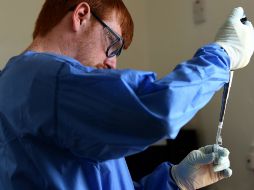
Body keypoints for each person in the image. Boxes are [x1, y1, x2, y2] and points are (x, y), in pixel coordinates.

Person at [0, 0, 253, 189]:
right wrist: (222, 55)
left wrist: (175, 181)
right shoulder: (43, 79)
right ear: (81, 15)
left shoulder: (20, 84)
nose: (112, 64)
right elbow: (160, 109)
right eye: (114, 45)